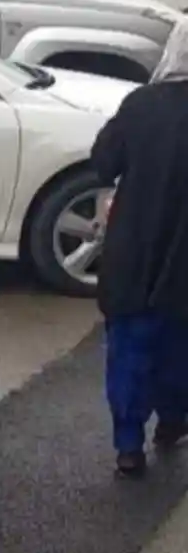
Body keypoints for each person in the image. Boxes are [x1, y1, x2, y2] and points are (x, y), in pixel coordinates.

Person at [91, 24, 188, 475]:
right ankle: (172, 421)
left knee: (129, 349)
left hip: (134, 252)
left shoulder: (140, 105)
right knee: (179, 348)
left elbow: (103, 163)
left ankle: (128, 446)